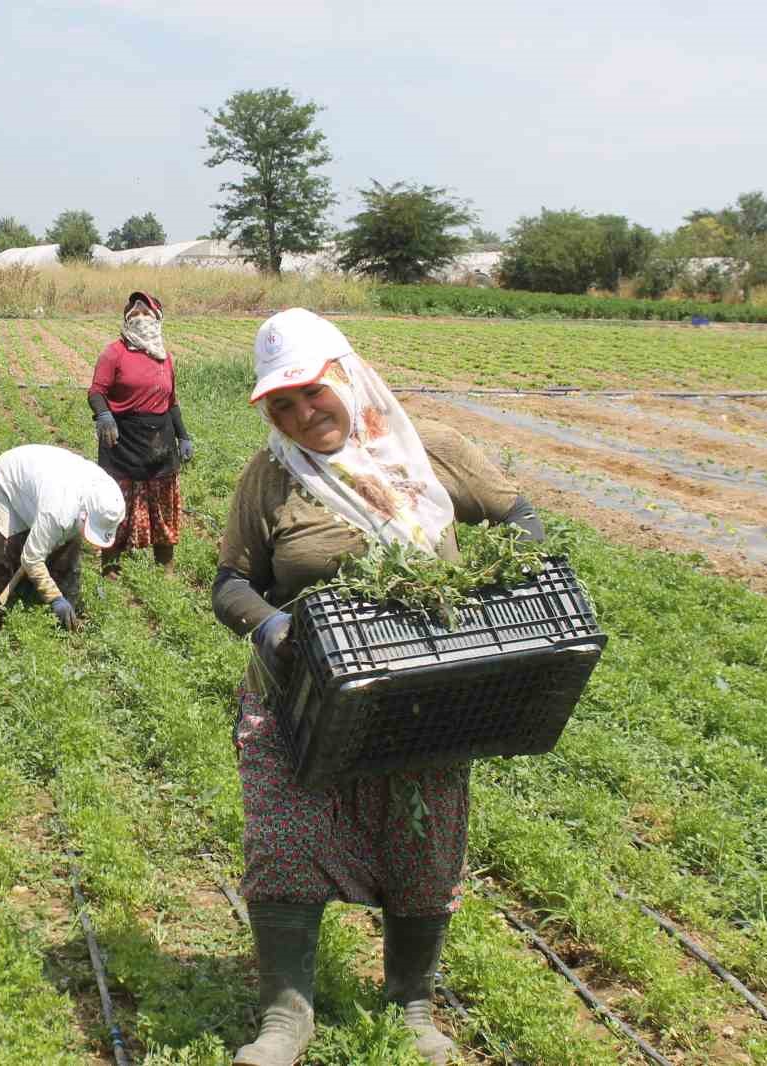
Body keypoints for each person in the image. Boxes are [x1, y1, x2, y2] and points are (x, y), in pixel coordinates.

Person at [211, 309, 544, 1066]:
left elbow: (518, 519)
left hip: (421, 694)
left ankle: (412, 1006)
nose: (301, 416)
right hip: (302, 697)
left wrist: (500, 591)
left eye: (311, 394)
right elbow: (231, 582)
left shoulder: (432, 451)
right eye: (282, 407)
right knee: (285, 837)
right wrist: (270, 626)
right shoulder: (269, 477)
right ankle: (285, 1018)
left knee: (423, 840)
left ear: (348, 377)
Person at [88, 291, 192, 574]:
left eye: (146, 311)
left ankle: (165, 573)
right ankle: (110, 571)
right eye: (134, 311)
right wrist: (104, 414)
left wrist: (183, 435)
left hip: (160, 443)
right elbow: (97, 391)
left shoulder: (165, 358)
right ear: (126, 319)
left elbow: (171, 402)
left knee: (162, 510)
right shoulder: (115, 352)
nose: (140, 314)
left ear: (158, 319)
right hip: (122, 443)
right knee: (116, 510)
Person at [0, 444, 126, 630]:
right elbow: (31, 559)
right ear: (84, 514)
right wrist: (55, 598)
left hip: (48, 484)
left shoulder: (109, 497)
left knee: (64, 558)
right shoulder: (57, 512)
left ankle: (63, 617)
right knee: (5, 552)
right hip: (11, 481)